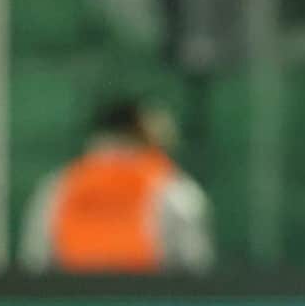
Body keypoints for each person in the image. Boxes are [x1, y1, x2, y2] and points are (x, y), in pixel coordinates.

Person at [20, 99, 214, 274]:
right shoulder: (170, 185)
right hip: (149, 303)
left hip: (72, 302)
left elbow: (36, 257)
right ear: (140, 128)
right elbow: (194, 261)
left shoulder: (61, 184)